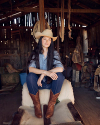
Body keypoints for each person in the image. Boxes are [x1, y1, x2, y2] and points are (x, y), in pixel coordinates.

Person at [26, 29, 65, 119]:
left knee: (60, 76)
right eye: (45, 39)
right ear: (40, 40)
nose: (47, 41)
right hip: (38, 83)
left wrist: (44, 74)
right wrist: (44, 72)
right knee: (30, 76)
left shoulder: (54, 53)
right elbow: (31, 69)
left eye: (49, 39)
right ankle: (37, 105)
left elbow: (61, 68)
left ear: (51, 42)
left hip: (50, 83)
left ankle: (51, 104)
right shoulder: (35, 53)